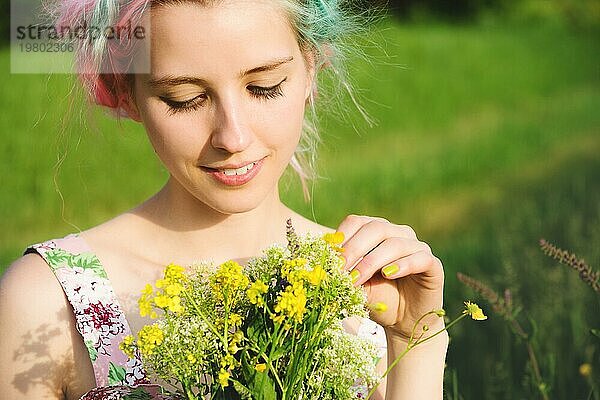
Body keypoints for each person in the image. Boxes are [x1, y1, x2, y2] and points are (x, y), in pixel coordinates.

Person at [0, 0, 448, 399]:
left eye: (265, 87)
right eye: (185, 99)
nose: (232, 137)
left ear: (311, 67)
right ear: (125, 93)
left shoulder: (363, 286)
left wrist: (414, 342)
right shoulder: (49, 301)